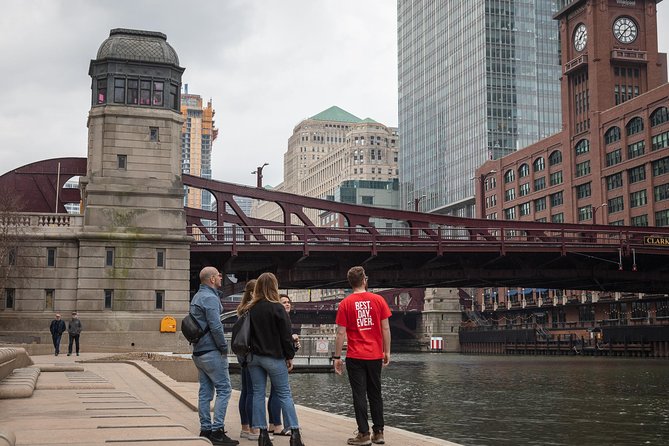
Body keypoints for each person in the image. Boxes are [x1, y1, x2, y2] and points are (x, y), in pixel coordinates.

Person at [242, 272, 305, 446]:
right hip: (274, 357)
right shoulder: (277, 308)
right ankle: (295, 435)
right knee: (285, 394)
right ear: (274, 287)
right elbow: (286, 336)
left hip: (254, 358)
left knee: (257, 394)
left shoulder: (251, 308)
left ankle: (262, 435)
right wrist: (289, 356)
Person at [334, 266, 391, 446]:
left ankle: (364, 434)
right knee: (375, 393)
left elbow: (340, 333)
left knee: (359, 394)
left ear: (350, 283)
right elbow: (386, 328)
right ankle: (379, 432)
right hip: (375, 355)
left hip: (355, 355)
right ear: (365, 280)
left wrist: (336, 357)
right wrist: (387, 351)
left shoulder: (345, 303)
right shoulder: (379, 300)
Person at [190, 266, 239, 446]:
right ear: (211, 279)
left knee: (205, 392)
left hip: (198, 351)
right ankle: (218, 431)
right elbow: (216, 326)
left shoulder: (197, 297)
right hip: (211, 351)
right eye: (218, 275)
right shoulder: (210, 298)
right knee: (224, 390)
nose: (221, 277)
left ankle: (205, 429)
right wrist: (223, 347)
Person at [268, 294, 301, 436]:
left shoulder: (283, 318)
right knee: (280, 392)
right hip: (279, 358)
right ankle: (284, 426)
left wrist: (294, 345)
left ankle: (272, 424)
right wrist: (290, 352)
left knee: (275, 392)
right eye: (283, 302)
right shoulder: (281, 318)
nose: (287, 304)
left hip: (276, 356)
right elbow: (283, 341)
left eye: (288, 302)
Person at [237, 279, 260, 441]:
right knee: (252, 392)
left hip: (243, 354)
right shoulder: (253, 310)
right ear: (253, 292)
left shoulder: (242, 309)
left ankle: (245, 427)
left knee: (245, 391)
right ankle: (254, 429)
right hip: (252, 353)